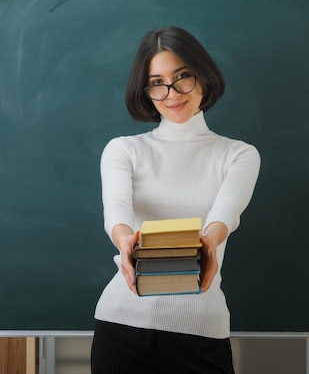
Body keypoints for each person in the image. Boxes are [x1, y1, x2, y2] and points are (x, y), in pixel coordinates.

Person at [91, 26, 261, 374]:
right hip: (122, 324)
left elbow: (225, 213)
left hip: (200, 330)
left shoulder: (238, 155)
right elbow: (117, 209)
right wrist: (124, 240)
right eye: (157, 82)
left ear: (203, 75)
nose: (172, 93)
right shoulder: (124, 150)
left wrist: (210, 241)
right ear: (145, 90)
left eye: (182, 77)